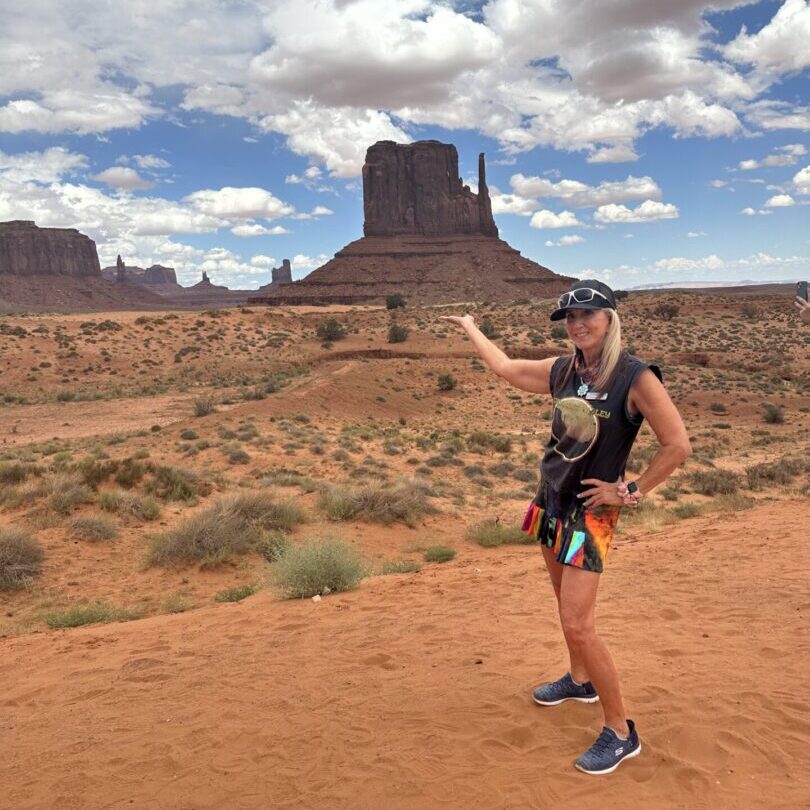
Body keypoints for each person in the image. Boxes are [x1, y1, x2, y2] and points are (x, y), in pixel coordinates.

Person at [442, 280, 691, 775]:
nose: (577, 325)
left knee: (579, 621)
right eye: (570, 319)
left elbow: (677, 445)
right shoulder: (564, 370)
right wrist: (471, 327)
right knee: (564, 605)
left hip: (591, 514)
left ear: (610, 319)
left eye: (587, 316)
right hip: (551, 499)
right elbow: (506, 368)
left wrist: (631, 490)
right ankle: (579, 680)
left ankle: (621, 731)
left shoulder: (634, 377)